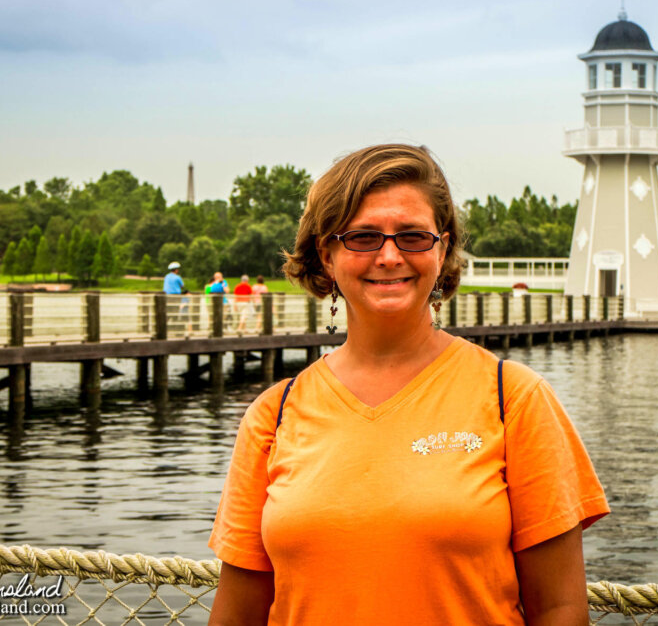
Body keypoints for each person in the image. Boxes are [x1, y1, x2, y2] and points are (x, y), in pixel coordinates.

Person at [208, 144, 609, 626]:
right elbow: (238, 612)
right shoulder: (274, 414)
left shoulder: (514, 398)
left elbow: (561, 608)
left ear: (442, 249)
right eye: (363, 237)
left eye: (414, 236)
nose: (390, 255)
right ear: (327, 254)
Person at [162, 261, 189, 334]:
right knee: (175, 312)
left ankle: (164, 327)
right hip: (175, 297)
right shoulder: (178, 277)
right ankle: (175, 329)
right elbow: (182, 286)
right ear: (176, 270)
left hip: (166, 296)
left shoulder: (167, 276)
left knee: (168, 311)